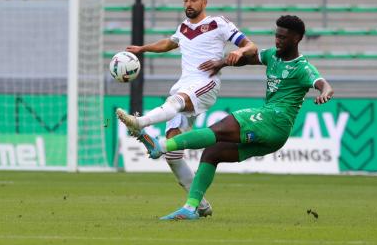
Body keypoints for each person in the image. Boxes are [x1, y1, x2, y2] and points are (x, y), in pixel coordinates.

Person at [131, 15, 334, 220]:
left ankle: (161, 146)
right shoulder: (273, 56)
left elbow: (322, 83)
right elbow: (249, 58)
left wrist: (324, 92)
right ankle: (191, 208)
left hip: (275, 119)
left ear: (297, 39)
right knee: (213, 152)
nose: (277, 40)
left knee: (220, 128)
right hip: (273, 134)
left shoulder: (302, 67)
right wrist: (223, 62)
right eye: (276, 35)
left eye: (283, 37)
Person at [116, 0, 258, 217]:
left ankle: (140, 123)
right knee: (173, 154)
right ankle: (200, 206)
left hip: (206, 82)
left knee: (176, 101)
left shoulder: (218, 23)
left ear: (204, 2)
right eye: (185, 0)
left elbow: (250, 45)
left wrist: (238, 53)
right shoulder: (183, 27)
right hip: (185, 83)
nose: (188, 4)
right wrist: (143, 48)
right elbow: (169, 43)